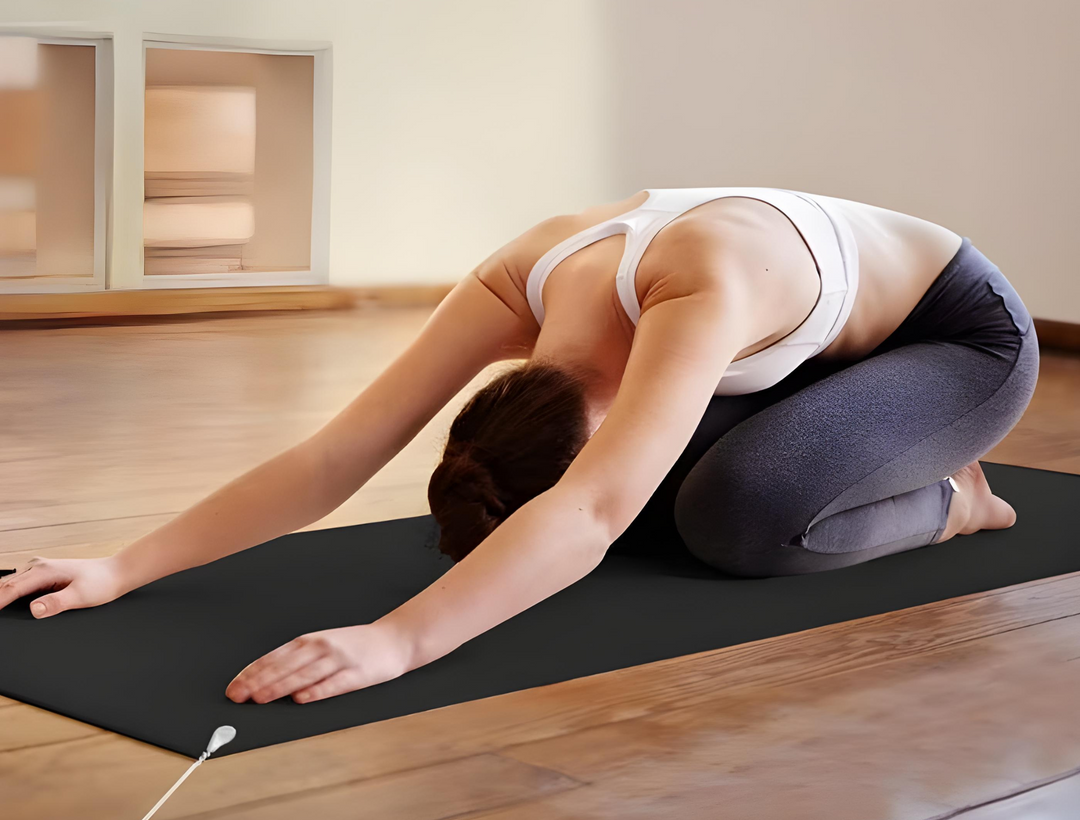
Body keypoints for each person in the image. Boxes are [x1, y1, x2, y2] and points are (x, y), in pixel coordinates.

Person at [0, 188, 1038, 707]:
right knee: (639, 500)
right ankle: (866, 445)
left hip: (955, 339)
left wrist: (398, 641)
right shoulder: (517, 285)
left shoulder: (699, 288)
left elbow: (591, 509)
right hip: (805, 352)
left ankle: (957, 499)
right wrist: (121, 566)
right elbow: (334, 455)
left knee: (738, 516)